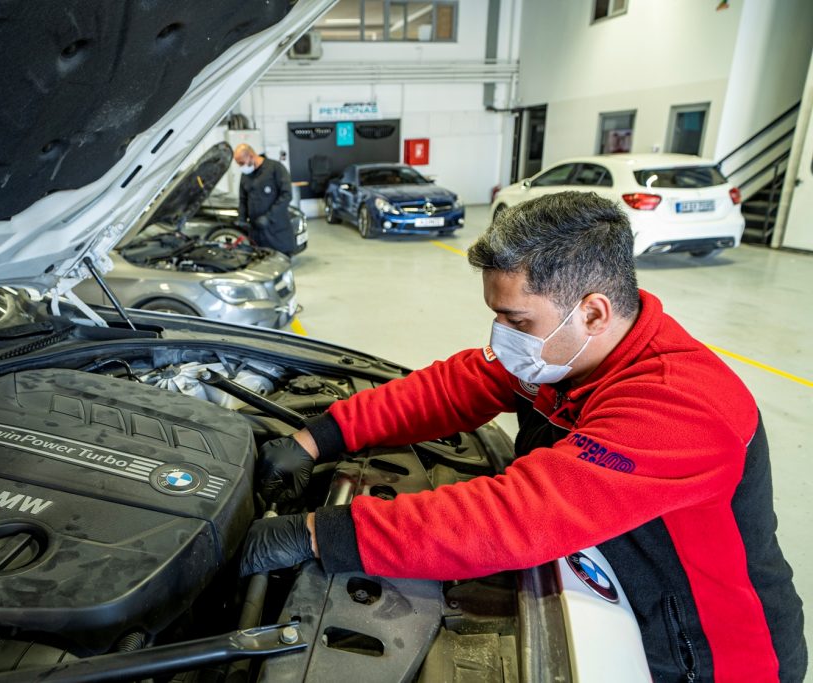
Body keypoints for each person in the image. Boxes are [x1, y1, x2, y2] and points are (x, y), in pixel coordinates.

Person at [240, 192, 806, 682]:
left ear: (592, 313)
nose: (501, 337)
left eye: (516, 321)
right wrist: (317, 438)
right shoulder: (566, 355)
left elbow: (516, 515)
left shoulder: (684, 406)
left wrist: (318, 533)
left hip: (703, 655)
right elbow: (453, 386)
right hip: (618, 603)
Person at [234, 143, 295, 254]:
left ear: (251, 156)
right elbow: (243, 199)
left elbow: (286, 195)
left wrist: (269, 217)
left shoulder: (275, 168)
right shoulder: (245, 175)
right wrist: (241, 218)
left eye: (242, 163)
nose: (241, 167)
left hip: (277, 231)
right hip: (257, 234)